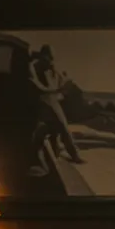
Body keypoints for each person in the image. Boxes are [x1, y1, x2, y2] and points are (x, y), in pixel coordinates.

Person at [28, 44, 85, 173]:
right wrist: (57, 89)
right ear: (43, 56)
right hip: (43, 104)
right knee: (44, 133)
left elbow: (60, 87)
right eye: (50, 58)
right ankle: (59, 158)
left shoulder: (52, 70)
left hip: (52, 103)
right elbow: (38, 87)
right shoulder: (34, 67)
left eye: (53, 58)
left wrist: (63, 85)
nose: (52, 61)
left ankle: (69, 154)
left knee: (60, 129)